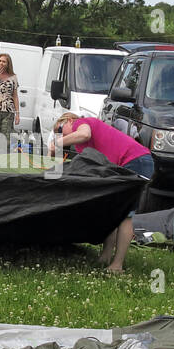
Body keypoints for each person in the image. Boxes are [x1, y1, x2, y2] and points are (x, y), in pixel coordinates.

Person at [50, 112, 154, 273]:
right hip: (129, 162)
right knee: (113, 211)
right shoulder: (80, 146)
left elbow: (84, 134)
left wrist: (58, 142)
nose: (60, 135)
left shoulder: (82, 123)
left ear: (69, 121)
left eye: (60, 129)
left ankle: (117, 265)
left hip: (135, 160)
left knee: (126, 214)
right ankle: (105, 257)